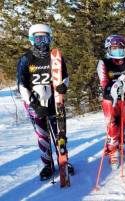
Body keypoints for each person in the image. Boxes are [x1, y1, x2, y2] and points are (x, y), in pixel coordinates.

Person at [16, 24, 74, 180]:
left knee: (59, 133)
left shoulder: (56, 57)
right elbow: (21, 85)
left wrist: (63, 86)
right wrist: (33, 104)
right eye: (38, 39)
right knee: (42, 136)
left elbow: (65, 77)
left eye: (45, 39)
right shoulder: (26, 59)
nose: (42, 43)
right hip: (35, 103)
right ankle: (47, 165)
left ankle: (63, 160)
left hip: (54, 102)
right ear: (32, 40)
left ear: (50, 39)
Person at [97, 34, 125, 169]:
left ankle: (120, 146)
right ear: (109, 48)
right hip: (110, 100)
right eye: (114, 47)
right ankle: (112, 151)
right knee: (112, 125)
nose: (118, 50)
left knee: (122, 125)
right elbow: (104, 82)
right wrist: (113, 88)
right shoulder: (104, 63)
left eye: (120, 47)